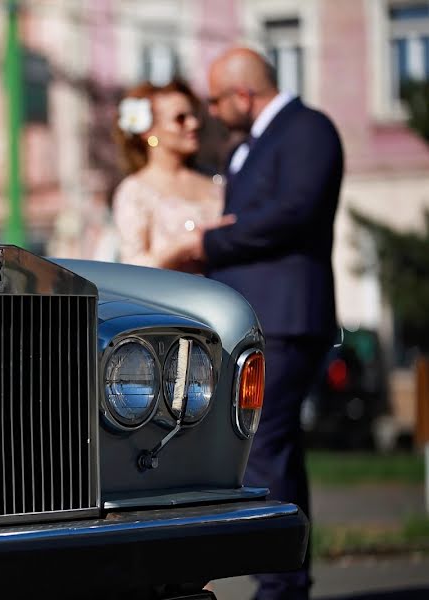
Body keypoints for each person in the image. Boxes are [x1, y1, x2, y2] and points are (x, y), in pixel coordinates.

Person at [187, 47, 344, 600]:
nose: (210, 110)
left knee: (263, 448)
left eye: (214, 98)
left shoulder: (308, 129)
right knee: (275, 448)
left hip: (287, 317)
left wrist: (206, 240)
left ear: (243, 94)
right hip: (263, 316)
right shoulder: (246, 147)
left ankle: (279, 586)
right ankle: (288, 581)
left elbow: (293, 213)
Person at [102, 79, 232, 272]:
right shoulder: (135, 191)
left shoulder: (217, 179)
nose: (193, 124)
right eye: (180, 118)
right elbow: (132, 271)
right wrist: (183, 246)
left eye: (194, 115)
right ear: (148, 130)